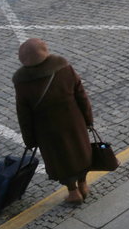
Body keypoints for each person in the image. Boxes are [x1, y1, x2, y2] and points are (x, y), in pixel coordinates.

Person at [13, 38, 94, 206]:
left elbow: (24, 114)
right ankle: (83, 185)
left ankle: (73, 192)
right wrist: (88, 119)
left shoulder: (22, 82)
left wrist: (29, 139)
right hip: (74, 122)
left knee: (60, 159)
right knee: (80, 151)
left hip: (47, 130)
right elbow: (81, 95)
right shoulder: (64, 68)